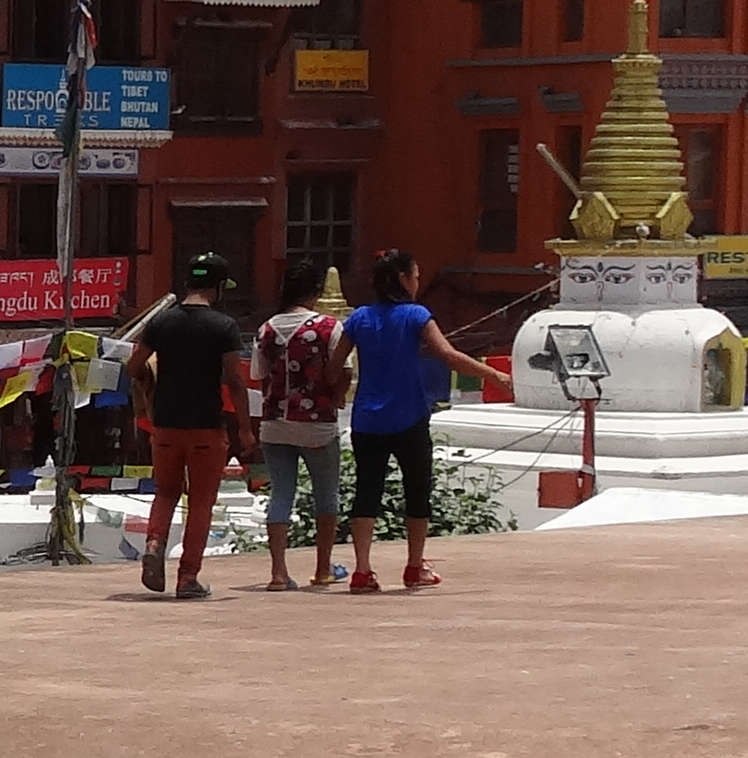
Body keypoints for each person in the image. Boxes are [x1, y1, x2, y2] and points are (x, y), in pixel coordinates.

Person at [341, 251, 506, 593]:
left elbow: (334, 366)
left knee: (366, 492)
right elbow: (447, 355)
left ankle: (362, 570)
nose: (417, 281)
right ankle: (415, 565)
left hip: (367, 418)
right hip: (409, 415)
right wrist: (493, 374)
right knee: (417, 491)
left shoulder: (358, 318)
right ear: (403, 278)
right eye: (415, 275)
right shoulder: (416, 315)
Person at [125, 256, 257, 599]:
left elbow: (133, 366)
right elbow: (235, 380)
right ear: (216, 288)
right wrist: (244, 428)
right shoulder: (223, 326)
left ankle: (154, 543)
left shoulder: (161, 323)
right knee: (200, 502)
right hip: (206, 427)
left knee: (166, 492)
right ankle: (188, 578)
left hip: (166, 425)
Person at [249, 262, 354, 593]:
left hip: (275, 424)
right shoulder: (328, 327)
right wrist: (337, 396)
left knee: (281, 493)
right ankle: (323, 568)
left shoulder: (266, 329)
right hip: (317, 424)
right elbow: (345, 369)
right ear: (317, 292)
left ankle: (278, 572)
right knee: (326, 495)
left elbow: (258, 374)